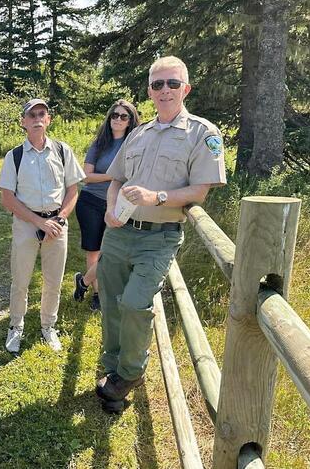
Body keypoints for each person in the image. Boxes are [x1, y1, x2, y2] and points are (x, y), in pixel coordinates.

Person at [95, 56, 226, 407]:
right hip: (120, 232)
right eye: (157, 84)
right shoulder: (138, 133)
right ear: (149, 91)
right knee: (110, 300)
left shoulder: (202, 133)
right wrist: (110, 209)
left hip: (159, 236)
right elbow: (117, 179)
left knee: (136, 304)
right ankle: (111, 363)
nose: (164, 90)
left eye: (172, 83)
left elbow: (199, 191)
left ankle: (129, 372)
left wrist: (158, 197)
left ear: (186, 88)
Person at [0, 99, 85, 353]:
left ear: (48, 119)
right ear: (23, 121)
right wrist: (39, 222)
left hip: (57, 224)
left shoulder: (62, 151)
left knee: (53, 280)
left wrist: (59, 219)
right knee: (21, 280)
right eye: (31, 114)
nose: (37, 118)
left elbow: (72, 189)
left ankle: (48, 326)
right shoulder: (14, 156)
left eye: (42, 114)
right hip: (27, 224)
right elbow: (7, 198)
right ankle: (16, 326)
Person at [73, 100, 140, 310]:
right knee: (94, 250)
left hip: (121, 205)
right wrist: (112, 177)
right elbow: (86, 176)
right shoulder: (100, 143)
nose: (118, 119)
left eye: (123, 116)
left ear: (131, 121)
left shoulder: (135, 144)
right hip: (91, 202)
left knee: (111, 251)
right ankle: (98, 295)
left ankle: (83, 281)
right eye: (114, 115)